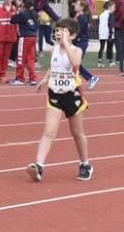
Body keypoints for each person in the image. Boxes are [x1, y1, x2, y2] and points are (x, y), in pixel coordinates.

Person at [27, 18, 93, 182]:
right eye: (57, 30)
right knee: (48, 131)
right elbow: (53, 65)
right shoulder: (53, 49)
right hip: (55, 94)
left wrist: (65, 43)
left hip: (72, 95)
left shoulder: (76, 50)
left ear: (73, 35)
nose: (58, 33)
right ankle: (39, 165)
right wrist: (45, 78)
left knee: (77, 133)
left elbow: (75, 63)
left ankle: (85, 164)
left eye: (62, 31)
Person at [10, 0, 39, 85]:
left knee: (20, 58)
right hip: (33, 37)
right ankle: (33, 78)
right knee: (30, 59)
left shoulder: (23, 13)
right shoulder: (35, 13)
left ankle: (20, 78)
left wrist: (18, 10)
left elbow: (12, 20)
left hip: (24, 37)